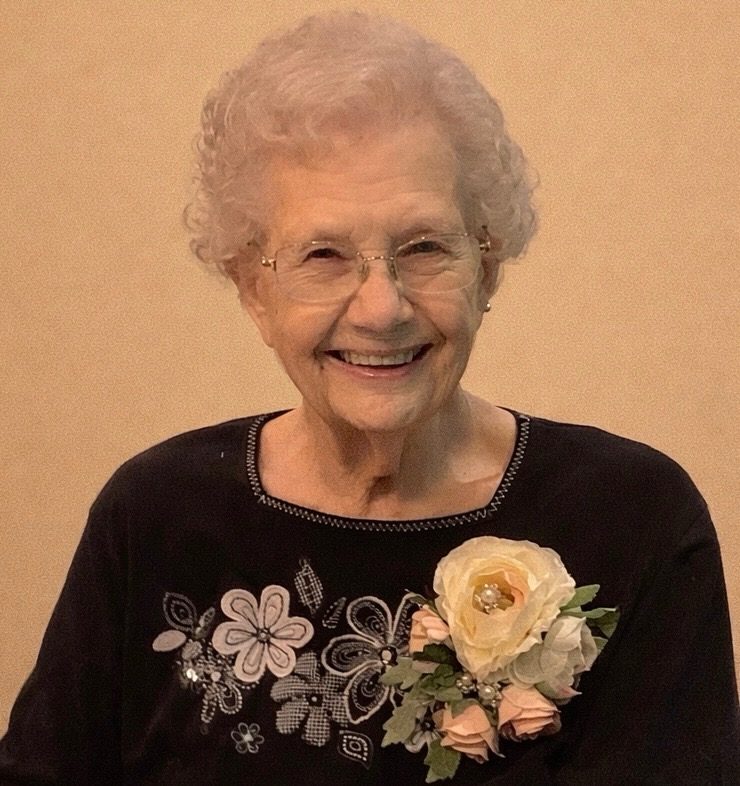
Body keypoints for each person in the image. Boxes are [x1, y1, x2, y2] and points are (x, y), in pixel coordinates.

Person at [1, 11, 737, 785]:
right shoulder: (156, 518)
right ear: (254, 289)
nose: (381, 308)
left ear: (486, 267)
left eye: (424, 248)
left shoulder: (633, 520)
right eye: (323, 255)